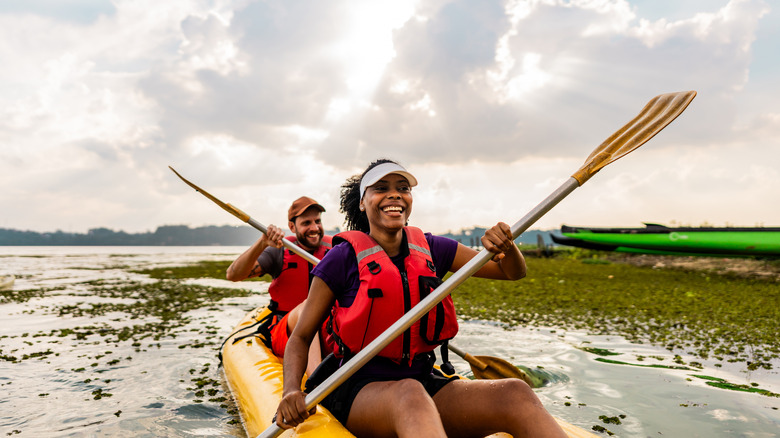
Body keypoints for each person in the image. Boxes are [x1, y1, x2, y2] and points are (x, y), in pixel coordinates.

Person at [275, 160, 567, 438]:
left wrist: (508, 247)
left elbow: (509, 272)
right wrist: (291, 390)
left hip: (422, 379)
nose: (394, 195)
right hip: (356, 388)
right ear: (362, 202)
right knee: (409, 394)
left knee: (514, 393)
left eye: (403, 188)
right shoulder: (342, 258)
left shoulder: (432, 248)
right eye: (381, 188)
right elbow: (300, 336)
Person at [226, 196, 332, 370]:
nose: (314, 228)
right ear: (292, 227)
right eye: (306, 223)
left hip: (327, 330)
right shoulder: (279, 251)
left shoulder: (334, 249)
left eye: (317, 221)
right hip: (287, 332)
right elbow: (233, 275)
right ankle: (318, 384)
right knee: (308, 308)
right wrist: (261, 243)